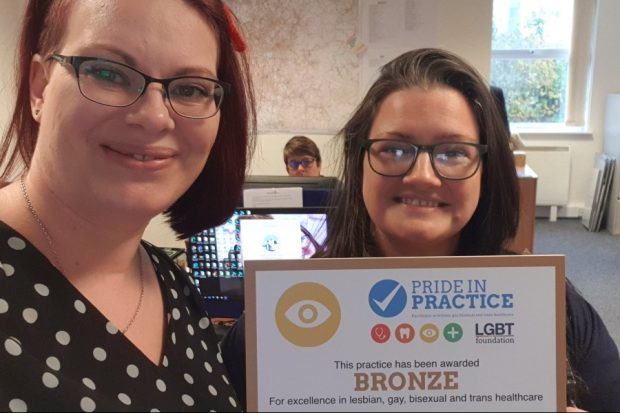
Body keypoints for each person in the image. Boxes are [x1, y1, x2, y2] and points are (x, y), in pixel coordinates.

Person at [221, 48, 620, 411]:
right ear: (359, 161)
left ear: (486, 169)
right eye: (394, 150)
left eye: (453, 152)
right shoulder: (282, 312)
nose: (423, 176)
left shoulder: (551, 308)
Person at [0, 0, 255, 411]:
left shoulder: (176, 288)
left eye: (190, 88)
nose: (155, 117)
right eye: (107, 72)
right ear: (39, 86)